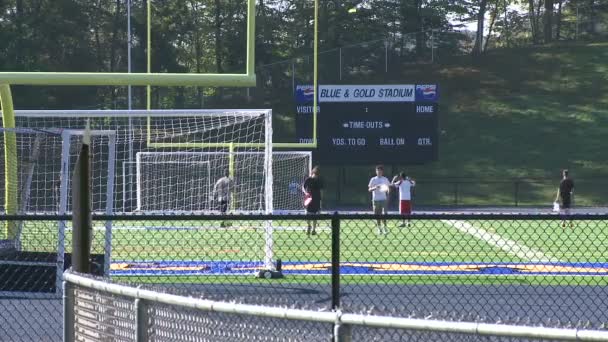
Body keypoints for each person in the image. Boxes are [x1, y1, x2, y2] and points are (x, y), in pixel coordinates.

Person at [368, 165, 391, 234]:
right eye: (378, 170)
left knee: (384, 214)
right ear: (376, 171)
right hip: (375, 199)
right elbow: (369, 189)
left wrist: (388, 194)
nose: (379, 172)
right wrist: (375, 187)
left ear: (382, 171)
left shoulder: (385, 179)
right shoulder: (373, 179)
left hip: (383, 199)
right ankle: (379, 228)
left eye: (380, 171)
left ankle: (385, 228)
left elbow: (389, 188)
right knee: (377, 214)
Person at [302, 166, 323, 235]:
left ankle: (314, 230)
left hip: (316, 200)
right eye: (315, 174)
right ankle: (309, 226)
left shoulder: (319, 181)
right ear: (313, 173)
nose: (316, 176)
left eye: (317, 175)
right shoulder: (308, 179)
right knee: (307, 214)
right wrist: (306, 193)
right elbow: (303, 187)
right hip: (309, 199)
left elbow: (321, 191)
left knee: (315, 215)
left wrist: (320, 202)